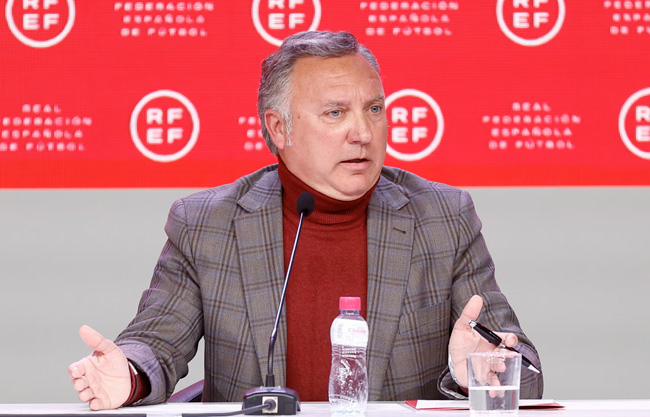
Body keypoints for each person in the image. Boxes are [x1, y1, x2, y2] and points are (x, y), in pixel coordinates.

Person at [68, 30, 543, 410]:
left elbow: (523, 366)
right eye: (336, 113)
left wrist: (485, 374)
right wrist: (129, 375)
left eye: (374, 109)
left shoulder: (441, 216)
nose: (363, 132)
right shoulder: (208, 223)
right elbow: (156, 341)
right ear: (279, 128)